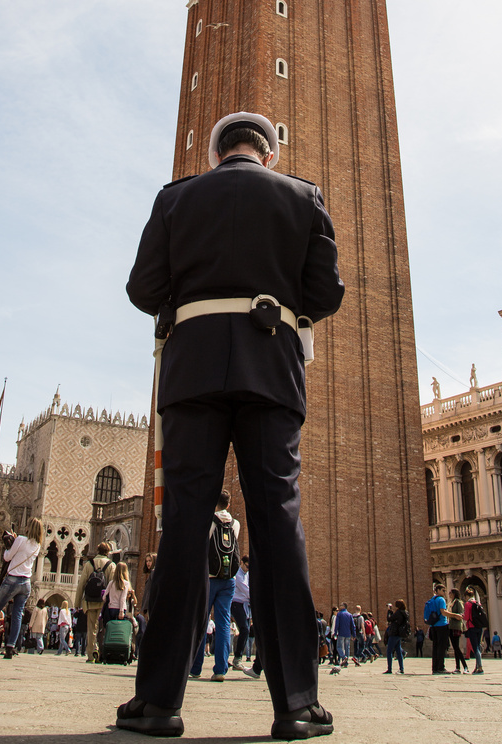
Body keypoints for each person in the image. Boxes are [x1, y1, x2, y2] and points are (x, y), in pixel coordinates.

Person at [119, 111, 344, 740]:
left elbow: (142, 288)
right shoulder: (304, 197)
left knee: (185, 525)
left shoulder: (176, 198)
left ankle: (158, 702)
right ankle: (296, 702)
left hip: (191, 374)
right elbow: (326, 295)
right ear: (268, 154)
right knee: (278, 523)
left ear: (217, 154)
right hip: (272, 371)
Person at [0, 516, 43, 660]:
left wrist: (10, 545)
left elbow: (7, 557)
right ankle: (10, 647)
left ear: (28, 527)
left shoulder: (21, 540)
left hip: (12, 580)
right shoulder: (37, 545)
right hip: (26, 584)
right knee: (17, 615)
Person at [189, 490, 240, 682]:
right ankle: (220, 669)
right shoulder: (236, 524)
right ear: (229, 504)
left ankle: (195, 667)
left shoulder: (208, 522)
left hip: (209, 578)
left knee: (202, 622)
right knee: (224, 623)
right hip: (229, 580)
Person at [75, 541, 116, 664]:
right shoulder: (111, 565)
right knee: (103, 629)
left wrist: (77, 603)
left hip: (90, 601)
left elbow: (81, 584)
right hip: (104, 603)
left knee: (91, 629)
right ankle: (102, 653)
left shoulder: (89, 564)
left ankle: (91, 654)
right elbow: (112, 585)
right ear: (108, 552)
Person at [424, 582, 461, 675]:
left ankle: (435, 668)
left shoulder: (432, 599)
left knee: (435, 647)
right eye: (443, 590)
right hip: (442, 625)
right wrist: (455, 615)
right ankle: (441, 667)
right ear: (438, 591)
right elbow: (443, 612)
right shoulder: (441, 600)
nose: (444, 592)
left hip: (433, 626)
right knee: (442, 647)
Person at [230, 554, 250, 671]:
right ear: (241, 562)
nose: (248, 569)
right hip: (237, 604)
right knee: (245, 629)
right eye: (247, 566)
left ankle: (238, 658)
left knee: (245, 631)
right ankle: (237, 659)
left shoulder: (246, 574)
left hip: (244, 605)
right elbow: (246, 590)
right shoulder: (238, 574)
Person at [463, 586, 485, 675]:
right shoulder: (477, 603)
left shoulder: (468, 604)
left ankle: (480, 668)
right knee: (478, 646)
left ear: (466, 596)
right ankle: (477, 667)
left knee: (475, 647)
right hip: (479, 627)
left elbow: (466, 617)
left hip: (471, 627)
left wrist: (462, 616)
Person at [384, 599, 409, 674]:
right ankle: (401, 669)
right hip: (400, 634)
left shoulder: (398, 613)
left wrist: (389, 611)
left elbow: (389, 619)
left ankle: (389, 669)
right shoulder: (405, 612)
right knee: (398, 651)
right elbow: (394, 618)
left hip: (394, 633)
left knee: (389, 651)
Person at [447, 589, 468, 674]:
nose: (449, 594)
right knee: (455, 648)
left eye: (450, 593)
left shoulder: (458, 602)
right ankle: (458, 668)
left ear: (454, 594)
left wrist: (451, 615)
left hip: (456, 627)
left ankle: (465, 666)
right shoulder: (451, 602)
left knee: (456, 647)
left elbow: (461, 614)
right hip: (451, 626)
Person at [333, 604, 356, 668]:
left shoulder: (339, 614)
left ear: (344, 606)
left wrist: (335, 633)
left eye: (341, 605)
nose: (339, 607)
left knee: (339, 647)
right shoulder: (350, 615)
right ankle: (346, 662)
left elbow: (337, 624)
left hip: (341, 633)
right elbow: (353, 625)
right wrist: (354, 634)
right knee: (347, 648)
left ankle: (343, 657)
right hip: (348, 634)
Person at [141, 553, 155, 618]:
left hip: (151, 605)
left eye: (150, 561)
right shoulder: (152, 573)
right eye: (147, 561)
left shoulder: (153, 573)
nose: (148, 563)